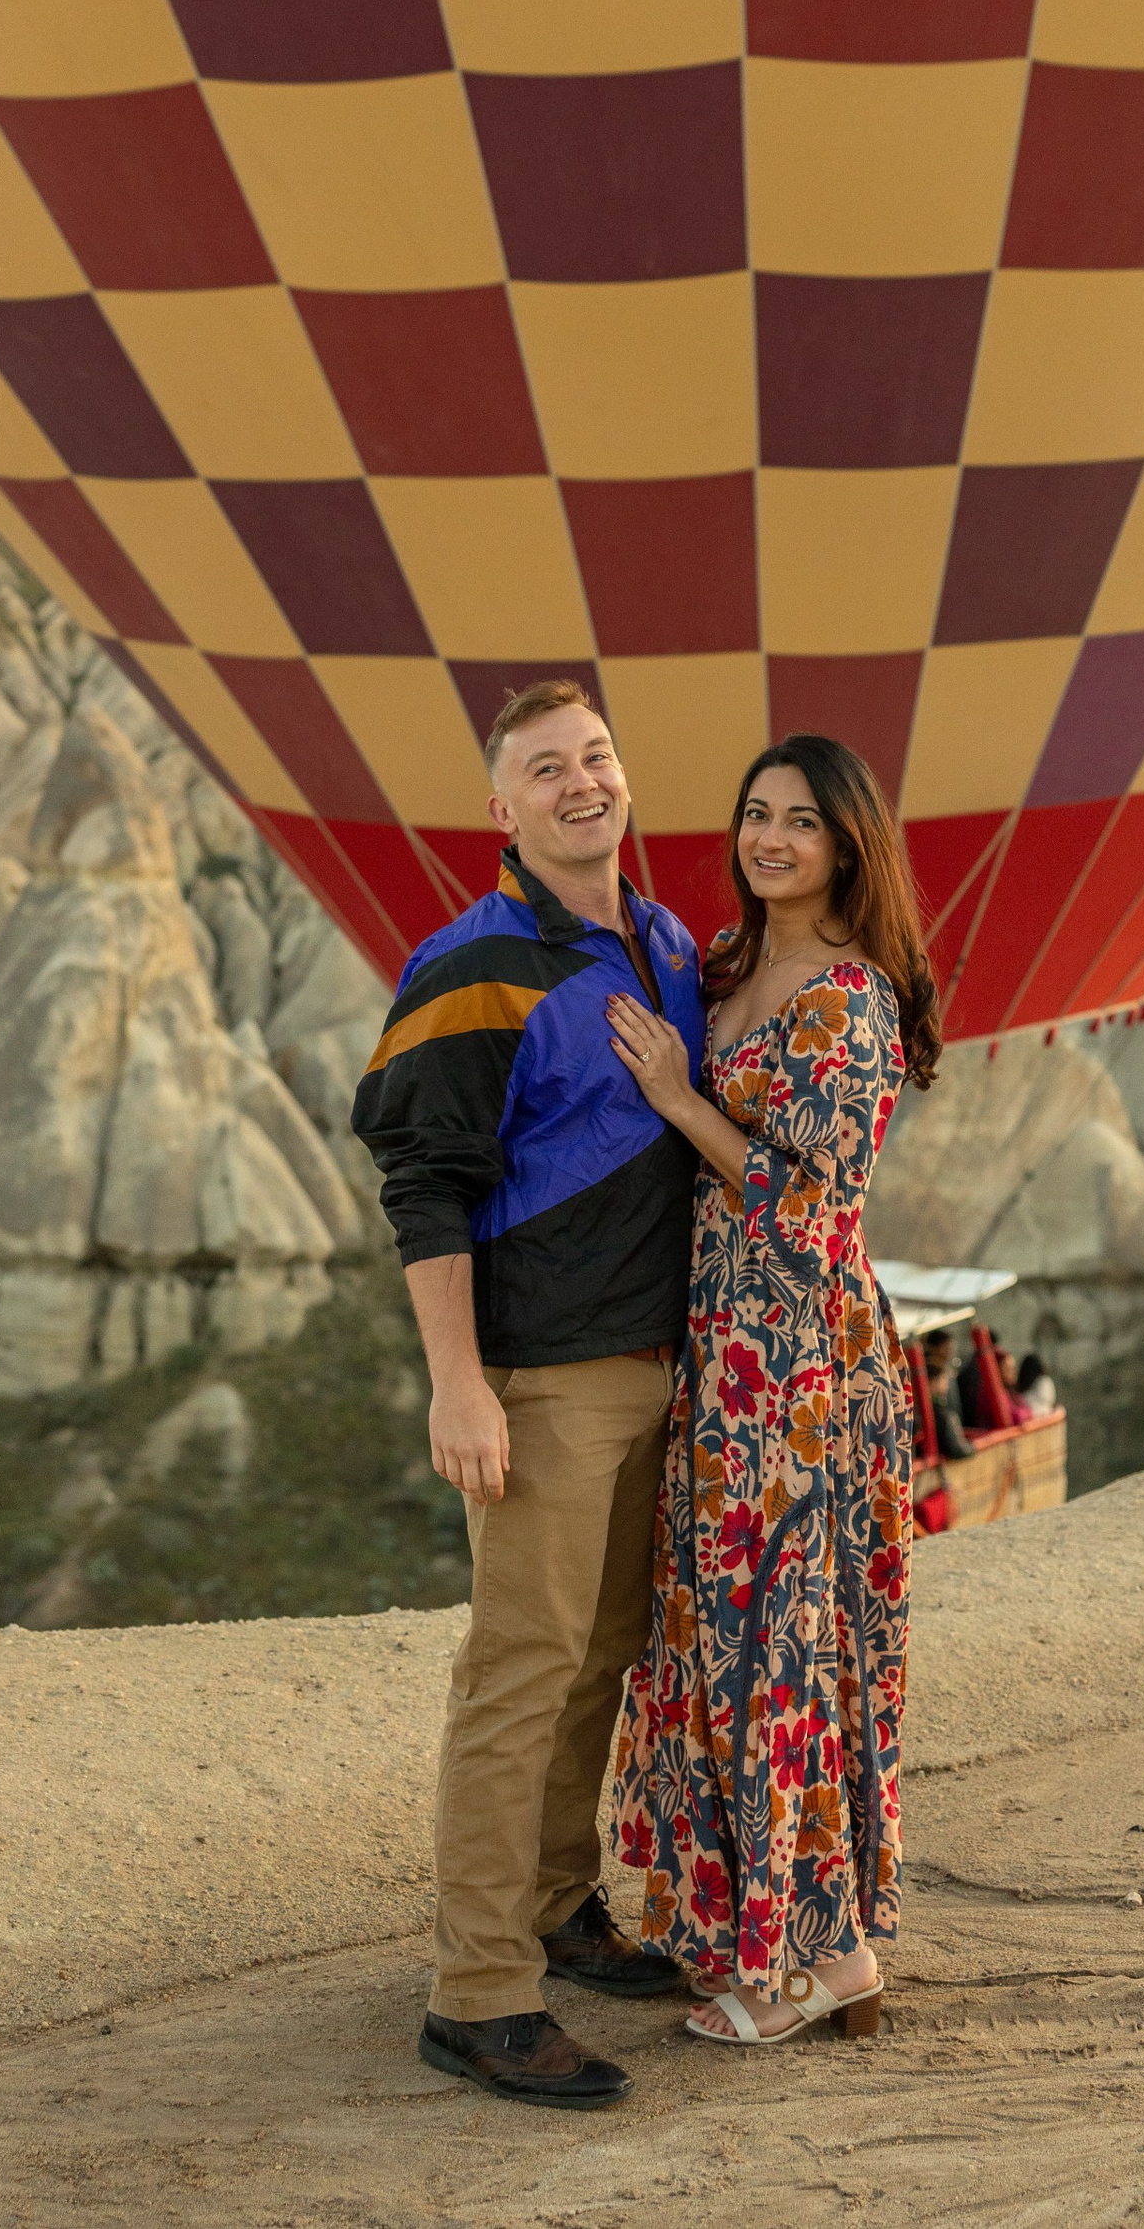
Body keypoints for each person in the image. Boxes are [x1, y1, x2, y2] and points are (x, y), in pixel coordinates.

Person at [351, 679, 706, 2109]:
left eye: (599, 756)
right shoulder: (474, 963)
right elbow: (422, 1183)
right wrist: (461, 1387)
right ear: (500, 809)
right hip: (544, 1381)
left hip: (654, 1370)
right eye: (546, 768)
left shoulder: (667, 938)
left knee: (601, 1654)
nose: (582, 782)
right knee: (519, 1671)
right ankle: (480, 1992)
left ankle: (560, 1906)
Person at [601, 732, 942, 2047]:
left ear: (848, 843)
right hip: (719, 1353)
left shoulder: (849, 1002)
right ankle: (756, 1929)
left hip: (798, 1359)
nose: (770, 837)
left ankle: (823, 1956)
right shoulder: (728, 970)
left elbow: (813, 1213)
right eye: (754, 813)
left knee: (780, 1640)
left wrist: (683, 1101)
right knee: (718, 1637)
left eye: (801, 820)